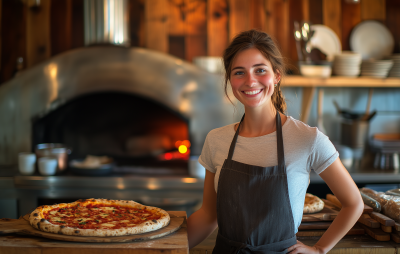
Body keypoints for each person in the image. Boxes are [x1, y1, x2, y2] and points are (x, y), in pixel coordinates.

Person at [186, 29, 364, 254]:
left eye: (260, 70)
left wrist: (320, 249)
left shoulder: (307, 139)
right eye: (239, 72)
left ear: (276, 75)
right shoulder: (216, 140)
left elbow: (353, 203)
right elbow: (208, 215)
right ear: (230, 80)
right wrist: (167, 250)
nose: (250, 81)